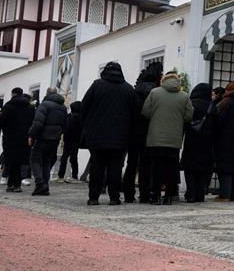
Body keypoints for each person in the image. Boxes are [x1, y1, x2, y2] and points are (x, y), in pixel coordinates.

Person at [79, 61, 139, 206]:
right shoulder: (128, 89)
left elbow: (84, 106)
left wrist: (89, 125)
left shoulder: (97, 85)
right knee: (116, 168)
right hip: (120, 137)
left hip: (97, 135)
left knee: (97, 167)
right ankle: (114, 197)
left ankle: (93, 198)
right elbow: (135, 113)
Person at [141, 71, 194, 204]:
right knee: (171, 167)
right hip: (174, 139)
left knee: (156, 167)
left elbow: (145, 112)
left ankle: (156, 195)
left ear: (163, 80)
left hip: (155, 138)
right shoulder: (184, 96)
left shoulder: (154, 93)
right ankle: (169, 196)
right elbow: (188, 116)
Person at [124, 62, 161, 203]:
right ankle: (145, 194)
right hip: (150, 133)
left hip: (133, 133)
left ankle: (128, 194)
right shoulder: (156, 94)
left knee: (131, 164)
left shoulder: (134, 93)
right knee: (146, 165)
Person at [28, 87, 68, 196]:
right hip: (55, 139)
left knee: (35, 160)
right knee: (47, 161)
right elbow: (65, 125)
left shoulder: (44, 105)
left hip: (43, 138)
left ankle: (40, 183)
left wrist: (31, 134)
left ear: (47, 93)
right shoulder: (63, 108)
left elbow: (38, 123)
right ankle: (45, 186)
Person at [181, 83, 216, 202]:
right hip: (207, 141)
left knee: (190, 168)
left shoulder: (191, 103)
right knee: (203, 169)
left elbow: (185, 120)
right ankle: (200, 194)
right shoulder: (212, 106)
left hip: (192, 139)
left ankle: (190, 193)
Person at [0, 88, 34, 193]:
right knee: (20, 162)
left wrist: (6, 131)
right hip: (24, 138)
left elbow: (1, 122)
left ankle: (10, 184)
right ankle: (17, 185)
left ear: (13, 94)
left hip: (10, 137)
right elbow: (33, 122)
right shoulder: (30, 107)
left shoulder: (8, 106)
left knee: (11, 161)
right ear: (22, 94)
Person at [57, 101, 83, 182]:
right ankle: (74, 176)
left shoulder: (72, 117)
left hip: (69, 139)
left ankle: (61, 176)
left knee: (64, 158)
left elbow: (67, 128)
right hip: (77, 140)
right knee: (74, 158)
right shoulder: (81, 117)